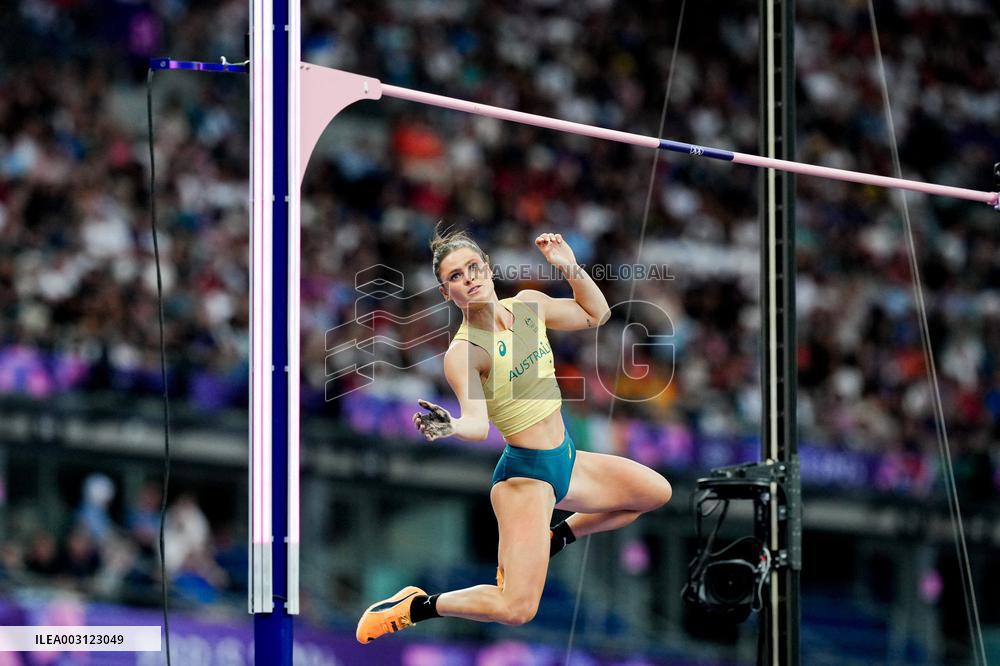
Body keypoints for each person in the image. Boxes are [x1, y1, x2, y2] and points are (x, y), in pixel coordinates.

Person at [356, 225, 672, 643]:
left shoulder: (526, 308)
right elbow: (476, 423)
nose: (468, 278)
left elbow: (597, 314)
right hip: (527, 477)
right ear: (445, 292)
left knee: (654, 493)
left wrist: (569, 267)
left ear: (487, 268)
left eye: (472, 267)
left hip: (568, 460)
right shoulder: (466, 352)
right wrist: (450, 425)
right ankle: (415, 606)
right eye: (455, 276)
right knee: (516, 608)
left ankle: (555, 536)